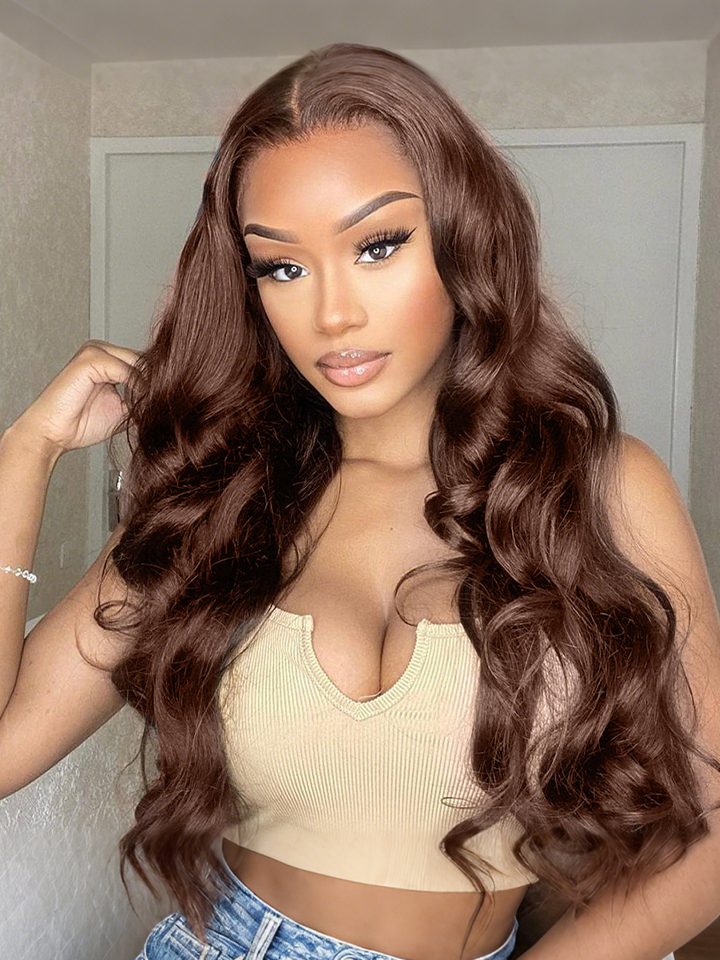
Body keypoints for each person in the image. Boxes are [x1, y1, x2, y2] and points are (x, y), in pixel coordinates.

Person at [1, 40, 719, 960]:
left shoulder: (599, 488)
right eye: (282, 267)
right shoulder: (221, 499)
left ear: (463, 235)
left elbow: (710, 823)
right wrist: (26, 453)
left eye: (378, 246)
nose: (332, 314)